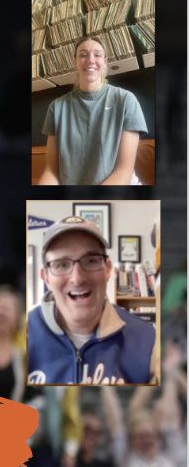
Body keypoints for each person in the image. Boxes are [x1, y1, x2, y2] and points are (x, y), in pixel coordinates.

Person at [27, 216, 156, 385]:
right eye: (62, 265)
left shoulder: (148, 340)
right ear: (47, 279)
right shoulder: (23, 334)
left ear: (108, 270)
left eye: (90, 261)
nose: (78, 279)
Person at [38, 35, 148, 185]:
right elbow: (51, 171)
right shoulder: (56, 107)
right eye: (83, 55)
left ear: (104, 63)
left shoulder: (126, 100)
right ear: (75, 63)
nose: (90, 60)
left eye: (97, 55)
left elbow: (123, 171)